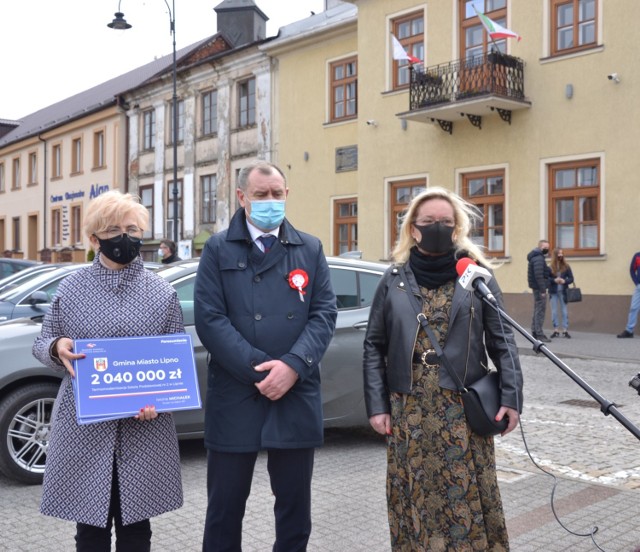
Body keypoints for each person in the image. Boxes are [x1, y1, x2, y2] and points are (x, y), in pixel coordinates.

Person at [363, 187, 523, 551]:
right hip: (410, 409)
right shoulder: (393, 279)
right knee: (416, 495)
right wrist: (376, 406)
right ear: (413, 229)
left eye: (446, 222)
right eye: (429, 221)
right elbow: (374, 346)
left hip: (462, 409)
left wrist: (512, 397)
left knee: (463, 498)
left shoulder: (476, 276)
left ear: (457, 227)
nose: (438, 227)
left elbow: (503, 341)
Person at [194, 160, 337, 552]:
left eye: (277, 194)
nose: (270, 201)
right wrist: (260, 370)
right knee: (224, 510)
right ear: (242, 198)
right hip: (236, 393)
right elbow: (210, 319)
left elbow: (324, 313)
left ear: (287, 195)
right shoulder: (218, 248)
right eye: (261, 195)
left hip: (294, 392)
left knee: (294, 512)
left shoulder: (309, 247)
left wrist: (292, 366)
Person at [32, 190, 184, 552]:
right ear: (94, 238)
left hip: (143, 428)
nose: (124, 237)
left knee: (136, 530)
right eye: (114, 229)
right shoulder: (71, 288)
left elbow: (173, 356)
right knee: (90, 531)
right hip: (86, 425)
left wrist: (159, 400)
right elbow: (43, 341)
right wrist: (57, 348)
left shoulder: (161, 292)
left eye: (132, 228)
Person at [527, 239, 551, 342]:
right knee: (540, 311)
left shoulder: (536, 257)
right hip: (539, 288)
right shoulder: (538, 258)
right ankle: (539, 334)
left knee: (537, 309)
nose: (546, 249)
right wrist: (542, 290)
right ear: (540, 247)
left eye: (548, 247)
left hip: (536, 287)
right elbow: (538, 275)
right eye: (544, 247)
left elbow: (540, 271)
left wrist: (548, 270)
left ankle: (534, 332)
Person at [548, 248, 574, 338]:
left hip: (563, 292)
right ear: (555, 255)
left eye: (562, 253)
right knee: (554, 311)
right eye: (559, 254)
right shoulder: (550, 267)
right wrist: (554, 280)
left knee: (564, 311)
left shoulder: (566, 266)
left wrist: (564, 281)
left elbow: (571, 279)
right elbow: (547, 279)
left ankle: (565, 330)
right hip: (553, 292)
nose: (561, 255)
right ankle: (556, 330)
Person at [617, 250, 640, 338]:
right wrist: (637, 283)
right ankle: (629, 331)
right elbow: (632, 270)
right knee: (633, 308)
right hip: (639, 288)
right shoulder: (637, 256)